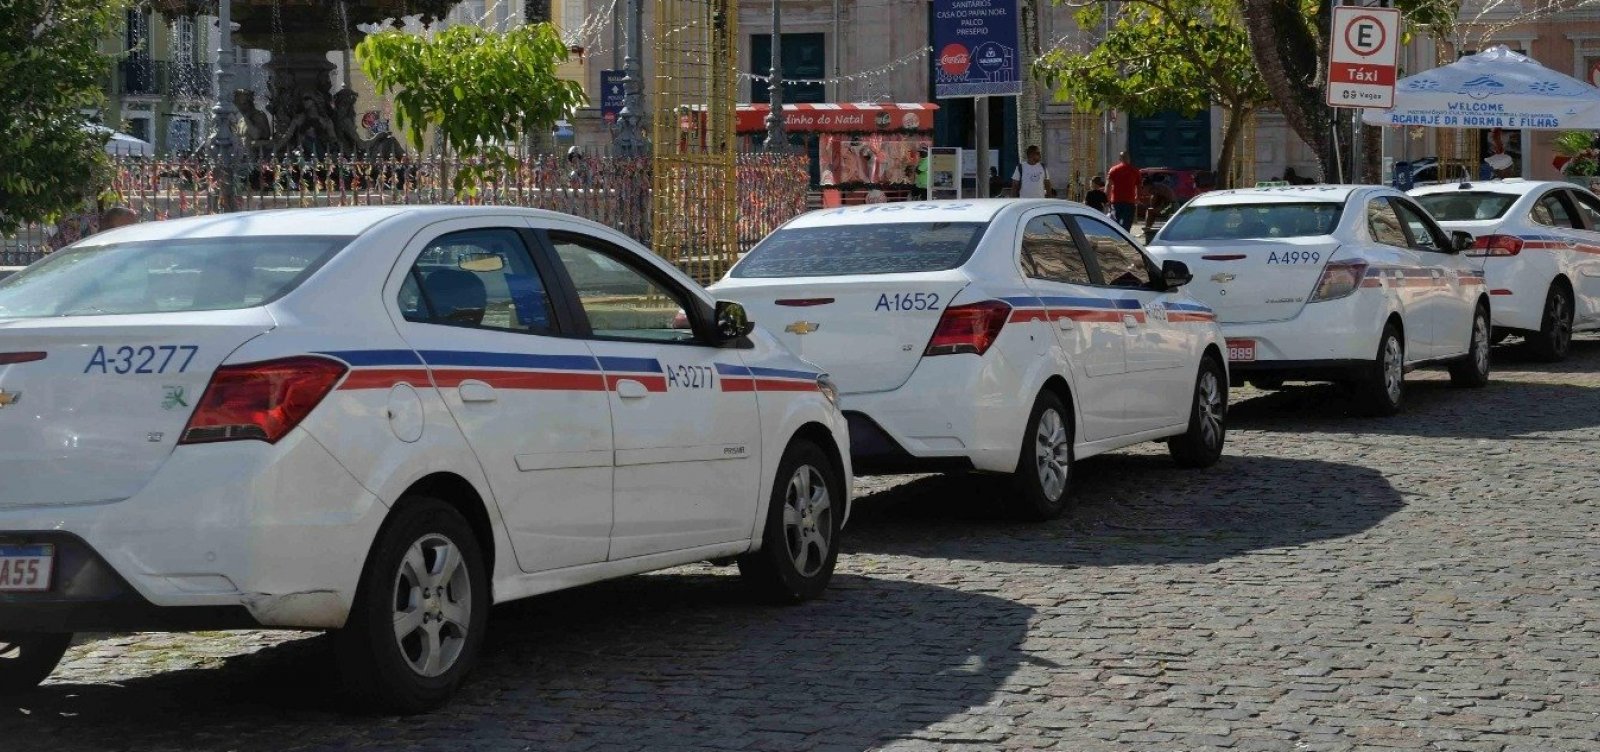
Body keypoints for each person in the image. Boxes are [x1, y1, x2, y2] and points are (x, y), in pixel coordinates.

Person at [1107, 152, 1139, 230]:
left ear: (1120, 159)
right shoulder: (1134, 171)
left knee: (1115, 223)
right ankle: (1125, 238)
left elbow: (1108, 185)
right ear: (1129, 159)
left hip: (1116, 201)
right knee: (1127, 223)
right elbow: (1138, 186)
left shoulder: (1113, 170)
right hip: (1130, 201)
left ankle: (1117, 238)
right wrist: (1137, 197)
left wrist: (1108, 199)